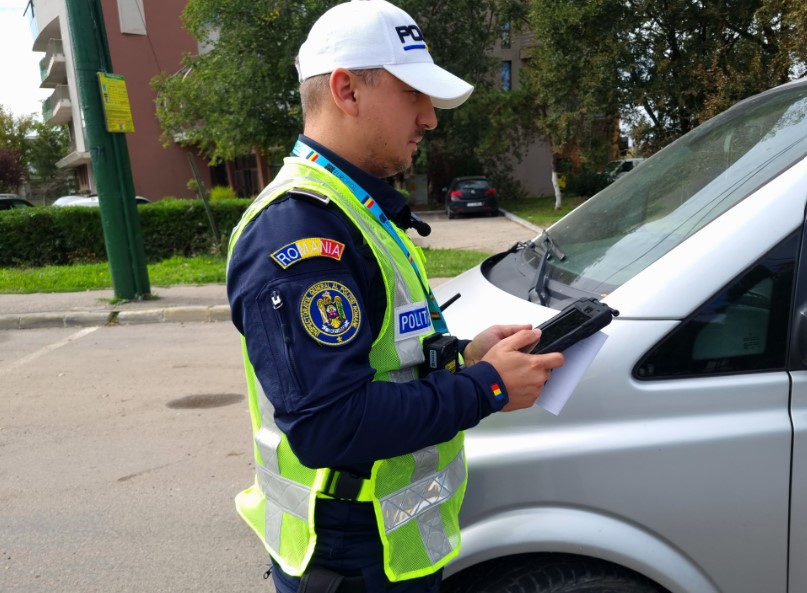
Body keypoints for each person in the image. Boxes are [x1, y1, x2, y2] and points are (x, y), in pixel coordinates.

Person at [226, 1, 565, 592]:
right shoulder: (300, 230)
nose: (430, 119)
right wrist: (487, 387)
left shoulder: (355, 208)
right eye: (415, 96)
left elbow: (387, 354)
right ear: (346, 91)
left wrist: (463, 355)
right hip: (351, 553)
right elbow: (329, 423)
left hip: (383, 546)